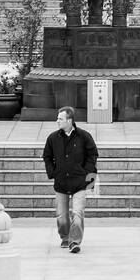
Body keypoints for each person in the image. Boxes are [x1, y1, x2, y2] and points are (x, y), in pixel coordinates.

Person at [42, 106, 98, 253]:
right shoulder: (53, 138)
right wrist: (52, 172)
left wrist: (87, 174)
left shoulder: (84, 136)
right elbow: (47, 156)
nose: (57, 121)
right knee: (61, 215)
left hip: (80, 182)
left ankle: (74, 242)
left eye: (60, 119)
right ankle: (65, 237)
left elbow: (93, 154)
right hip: (61, 182)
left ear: (70, 120)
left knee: (78, 213)